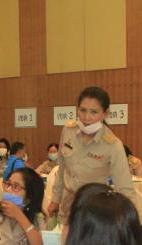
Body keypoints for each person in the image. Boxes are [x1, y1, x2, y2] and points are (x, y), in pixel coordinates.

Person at [48, 86, 135, 223]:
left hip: (93, 213)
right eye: (83, 110)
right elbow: (61, 169)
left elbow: (125, 189)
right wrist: (55, 200)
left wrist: (130, 222)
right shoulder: (68, 131)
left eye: (94, 112)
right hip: (67, 208)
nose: (86, 117)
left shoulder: (113, 145)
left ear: (105, 114)